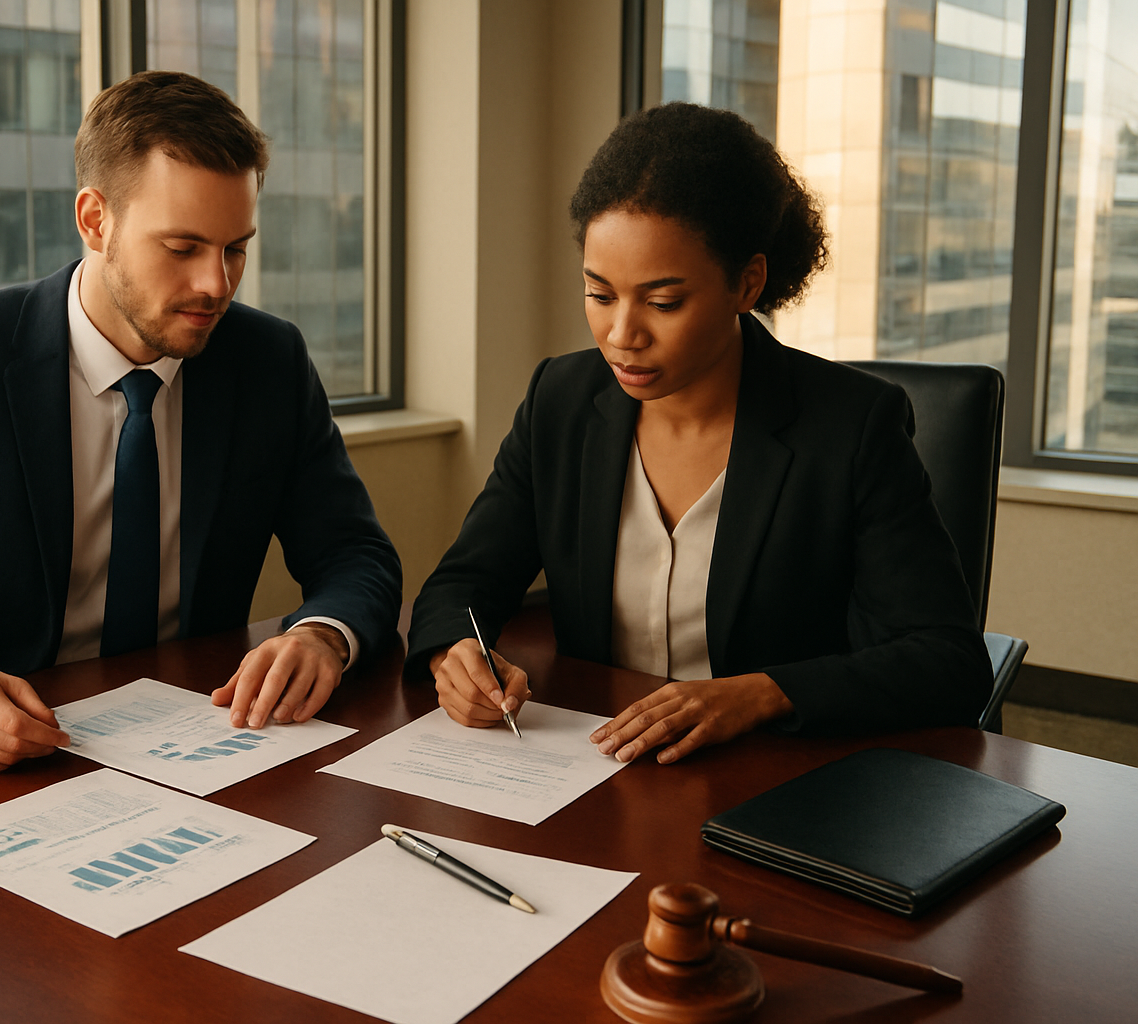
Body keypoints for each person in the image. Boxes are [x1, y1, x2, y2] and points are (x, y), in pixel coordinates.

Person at [0, 71, 401, 772]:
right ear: (95, 220)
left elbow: (356, 556)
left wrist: (323, 634)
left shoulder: (267, 361)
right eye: (183, 248)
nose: (216, 285)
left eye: (236, 248)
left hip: (200, 742)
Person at [407, 102, 990, 765]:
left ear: (747, 283)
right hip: (597, 770)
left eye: (663, 303)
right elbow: (461, 587)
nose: (622, 336)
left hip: (774, 783)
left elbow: (946, 661)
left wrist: (761, 693)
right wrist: (454, 654)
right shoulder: (559, 402)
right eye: (600, 295)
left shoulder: (851, 426)